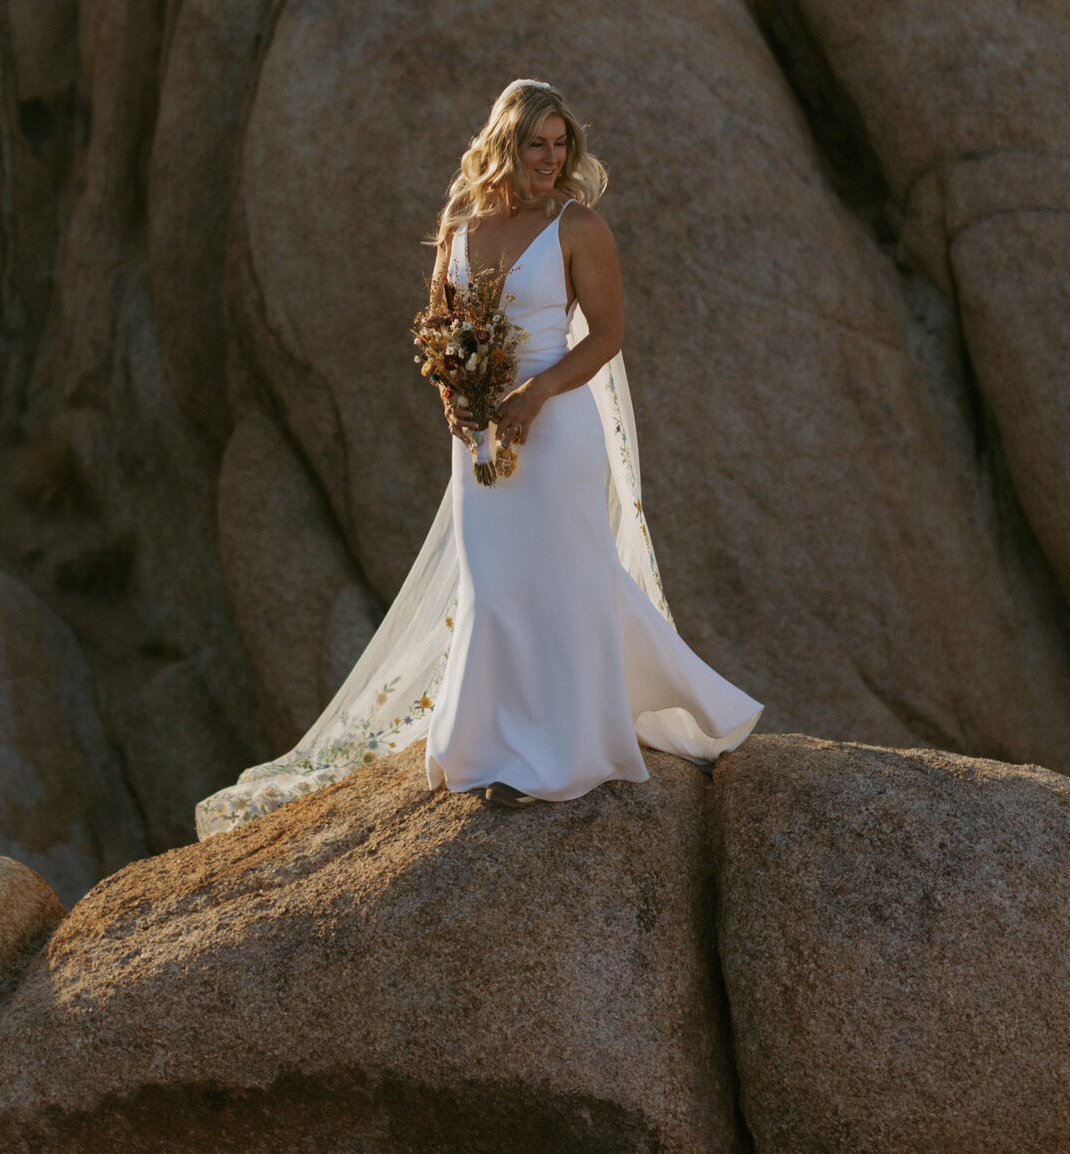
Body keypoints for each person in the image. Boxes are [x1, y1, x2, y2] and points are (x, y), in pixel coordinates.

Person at [197, 80, 760, 835]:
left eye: (562, 146)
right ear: (507, 144)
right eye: (538, 144)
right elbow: (439, 326)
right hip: (479, 435)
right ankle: (493, 742)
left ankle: (562, 754)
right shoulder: (462, 219)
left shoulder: (578, 227)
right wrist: (454, 403)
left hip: (556, 429)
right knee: (496, 588)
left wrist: (536, 393)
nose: (551, 159)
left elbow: (605, 336)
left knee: (564, 580)